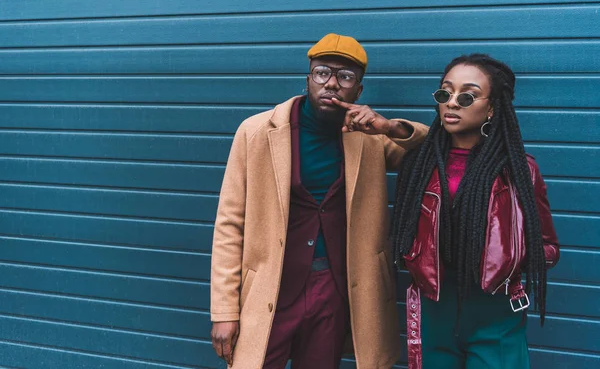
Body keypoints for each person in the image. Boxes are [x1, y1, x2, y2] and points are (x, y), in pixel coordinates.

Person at [210, 33, 428, 368]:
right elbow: (229, 224)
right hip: (271, 288)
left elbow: (433, 151)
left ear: (359, 91)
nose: (332, 84)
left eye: (345, 77)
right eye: (322, 72)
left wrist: (387, 126)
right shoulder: (255, 133)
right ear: (308, 78)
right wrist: (224, 311)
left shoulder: (369, 138)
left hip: (334, 288)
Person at [390, 54, 560, 369]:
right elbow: (404, 232)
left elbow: (548, 248)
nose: (452, 103)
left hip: (495, 310)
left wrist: (508, 256)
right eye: (445, 93)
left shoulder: (519, 170)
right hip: (436, 306)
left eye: (467, 95)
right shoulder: (419, 164)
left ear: (492, 107)